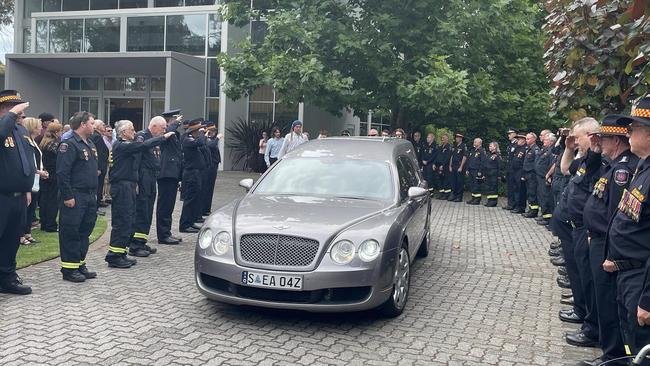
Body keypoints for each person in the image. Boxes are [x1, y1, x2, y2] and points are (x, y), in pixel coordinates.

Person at [574, 116, 638, 366]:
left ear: (616, 141)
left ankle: (613, 356)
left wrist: (612, 252)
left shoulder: (623, 169)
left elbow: (616, 215)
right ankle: (610, 353)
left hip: (607, 245)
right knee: (602, 300)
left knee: (608, 302)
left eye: (603, 140)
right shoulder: (611, 164)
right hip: (599, 240)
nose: (599, 144)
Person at [604, 99, 650, 363]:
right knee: (630, 345)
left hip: (641, 279)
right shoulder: (643, 167)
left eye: (634, 127)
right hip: (626, 272)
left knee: (643, 348)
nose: (629, 132)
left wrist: (649, 299)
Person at [560, 117, 601, 348]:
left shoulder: (598, 162)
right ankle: (586, 319)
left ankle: (591, 328)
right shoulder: (584, 161)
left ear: (592, 136)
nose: (574, 142)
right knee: (583, 279)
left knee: (589, 283)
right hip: (577, 229)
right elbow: (565, 169)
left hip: (588, 231)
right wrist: (569, 149)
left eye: (578, 138)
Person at [108, 119, 173, 265]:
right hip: (122, 186)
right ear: (124, 132)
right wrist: (163, 138)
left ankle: (120, 253)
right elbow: (143, 145)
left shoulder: (127, 145)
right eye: (131, 129)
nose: (135, 132)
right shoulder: (122, 145)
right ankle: (114, 255)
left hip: (129, 184)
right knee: (122, 221)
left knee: (128, 220)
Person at [56, 111, 100, 282]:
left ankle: (79, 263)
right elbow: (62, 173)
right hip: (75, 195)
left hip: (89, 195)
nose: (93, 126)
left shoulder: (89, 143)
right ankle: (69, 269)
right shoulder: (69, 144)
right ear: (82, 124)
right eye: (91, 123)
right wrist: (68, 196)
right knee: (71, 231)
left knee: (85, 230)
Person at [0, 91, 35, 295]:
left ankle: (7, 277)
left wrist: (27, 187)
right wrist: (11, 115)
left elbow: (25, 161)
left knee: (12, 240)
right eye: (15, 108)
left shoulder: (20, 130)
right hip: (2, 196)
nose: (20, 113)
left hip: (19, 196)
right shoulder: (4, 128)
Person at [129, 117, 170, 257]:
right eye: (162, 128)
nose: (164, 131)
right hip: (143, 178)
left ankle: (141, 241)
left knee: (147, 212)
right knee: (141, 211)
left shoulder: (153, 137)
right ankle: (135, 245)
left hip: (151, 178)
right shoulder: (142, 137)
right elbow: (136, 162)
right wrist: (136, 183)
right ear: (153, 126)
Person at [156, 109, 184, 245]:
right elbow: (165, 133)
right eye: (175, 118)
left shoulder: (174, 134)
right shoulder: (165, 132)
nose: (178, 120)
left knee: (169, 205)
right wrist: (175, 123)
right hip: (166, 173)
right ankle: (163, 234)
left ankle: (166, 232)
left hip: (172, 173)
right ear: (169, 121)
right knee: (165, 205)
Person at [21, 117, 48, 245]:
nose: (41, 128)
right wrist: (39, 171)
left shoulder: (33, 142)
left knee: (31, 207)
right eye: (38, 126)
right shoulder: (26, 142)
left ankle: (27, 233)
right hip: (30, 178)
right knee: (26, 207)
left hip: (36, 179)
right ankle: (21, 234)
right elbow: (28, 162)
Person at [179, 119, 207, 233]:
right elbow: (201, 142)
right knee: (189, 200)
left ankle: (190, 221)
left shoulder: (192, 139)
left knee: (194, 199)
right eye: (199, 131)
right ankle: (184, 224)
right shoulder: (187, 140)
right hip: (191, 174)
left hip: (196, 173)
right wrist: (201, 133)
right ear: (194, 131)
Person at [39, 121, 62, 232]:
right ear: (56, 132)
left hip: (45, 173)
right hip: (53, 174)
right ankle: (51, 224)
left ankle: (44, 223)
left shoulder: (44, 142)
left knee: (44, 199)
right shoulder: (55, 144)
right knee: (53, 200)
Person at [535, 133, 557, 225]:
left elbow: (552, 165)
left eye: (546, 140)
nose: (544, 141)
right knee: (542, 197)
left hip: (546, 177)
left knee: (546, 197)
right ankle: (544, 215)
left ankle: (547, 218)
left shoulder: (552, 151)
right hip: (540, 176)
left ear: (551, 141)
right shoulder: (546, 149)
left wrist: (549, 176)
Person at [201, 122, 223, 217]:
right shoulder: (207, 139)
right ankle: (204, 208)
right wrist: (218, 138)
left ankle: (207, 208)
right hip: (210, 166)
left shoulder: (211, 139)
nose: (214, 132)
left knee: (210, 188)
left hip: (214, 164)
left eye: (215, 131)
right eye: (212, 131)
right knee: (207, 188)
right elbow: (212, 145)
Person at [90, 120, 110, 209]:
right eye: (102, 125)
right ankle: (95, 207)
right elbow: (99, 153)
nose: (104, 126)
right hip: (99, 167)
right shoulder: (97, 137)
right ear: (97, 126)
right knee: (98, 187)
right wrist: (98, 168)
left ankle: (97, 205)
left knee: (100, 187)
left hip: (101, 166)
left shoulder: (98, 136)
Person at [522, 133, 540, 218]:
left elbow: (536, 163)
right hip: (527, 174)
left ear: (533, 139)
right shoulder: (528, 149)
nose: (526, 140)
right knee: (529, 193)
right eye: (526, 139)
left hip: (532, 174)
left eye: (528, 139)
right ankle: (530, 209)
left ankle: (533, 211)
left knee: (532, 193)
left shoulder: (535, 149)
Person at [466, 137, 487, 205]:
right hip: (471, 170)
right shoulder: (473, 150)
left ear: (479, 143)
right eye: (474, 141)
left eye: (475, 142)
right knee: (472, 185)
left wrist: (480, 171)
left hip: (477, 171)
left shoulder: (481, 151)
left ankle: (477, 199)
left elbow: (483, 162)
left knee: (476, 185)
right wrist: (467, 169)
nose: (474, 143)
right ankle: (473, 198)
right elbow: (469, 161)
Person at [510, 134, 528, 214]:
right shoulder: (517, 148)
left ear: (523, 140)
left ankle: (520, 207)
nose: (518, 140)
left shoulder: (525, 149)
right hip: (515, 171)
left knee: (520, 190)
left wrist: (523, 174)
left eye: (519, 139)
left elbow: (525, 162)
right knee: (515, 189)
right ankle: (516, 205)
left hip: (520, 172)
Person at [448, 133, 468, 202]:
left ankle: (459, 197)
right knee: (453, 181)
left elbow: (464, 157)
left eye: (457, 137)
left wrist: (461, 167)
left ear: (461, 138)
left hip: (459, 166)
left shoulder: (463, 146)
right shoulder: (454, 146)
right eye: (456, 137)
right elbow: (452, 156)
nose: (456, 138)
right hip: (453, 166)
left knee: (460, 182)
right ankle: (454, 195)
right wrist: (450, 165)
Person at [503, 128, 519, 210]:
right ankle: (510, 203)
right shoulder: (510, 145)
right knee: (509, 188)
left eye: (510, 133)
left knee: (514, 188)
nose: (508, 135)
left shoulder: (517, 144)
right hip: (509, 169)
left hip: (514, 170)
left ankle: (514, 204)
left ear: (515, 134)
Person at [483, 142, 501, 207]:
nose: (489, 147)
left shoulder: (497, 155)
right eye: (489, 146)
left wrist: (498, 175)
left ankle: (493, 201)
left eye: (491, 146)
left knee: (493, 188)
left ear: (495, 147)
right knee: (489, 188)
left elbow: (499, 165)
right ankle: (489, 200)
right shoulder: (489, 154)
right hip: (488, 174)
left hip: (493, 174)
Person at [435, 134, 452, 200]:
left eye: (444, 138)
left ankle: (446, 194)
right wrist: (435, 164)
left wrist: (443, 165)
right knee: (440, 180)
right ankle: (441, 194)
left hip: (445, 166)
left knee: (446, 181)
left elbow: (448, 157)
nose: (443, 139)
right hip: (439, 166)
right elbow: (437, 156)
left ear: (447, 139)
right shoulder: (440, 147)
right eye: (442, 138)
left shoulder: (449, 147)